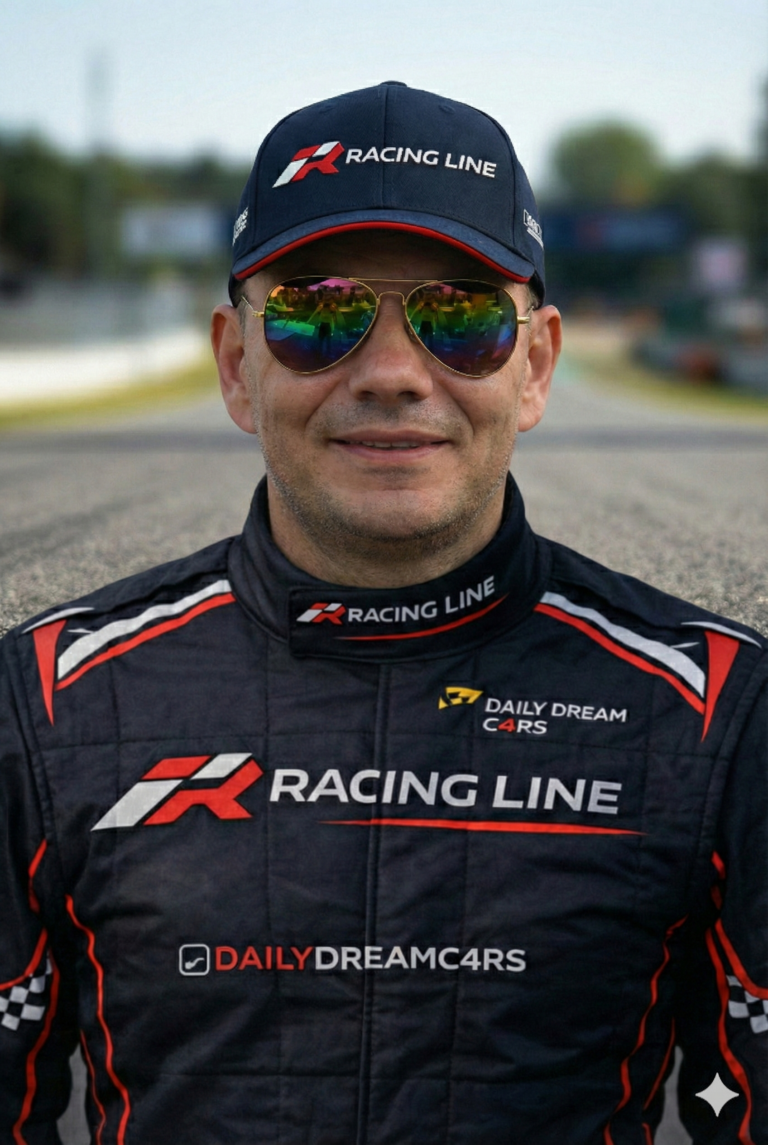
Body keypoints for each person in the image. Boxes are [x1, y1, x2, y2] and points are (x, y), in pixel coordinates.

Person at [1, 81, 765, 1145]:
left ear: (536, 365)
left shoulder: (720, 708)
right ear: (237, 365)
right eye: (319, 314)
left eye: (462, 318)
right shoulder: (45, 699)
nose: (396, 373)